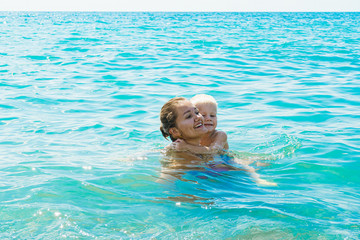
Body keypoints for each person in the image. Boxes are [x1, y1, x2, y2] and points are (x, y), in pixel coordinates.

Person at [159, 96, 277, 186]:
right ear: (174, 131)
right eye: (189, 116)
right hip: (214, 167)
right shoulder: (177, 156)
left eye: (196, 112)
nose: (201, 118)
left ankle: (257, 176)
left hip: (225, 159)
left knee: (246, 166)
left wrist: (188, 147)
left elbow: (213, 150)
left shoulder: (218, 135)